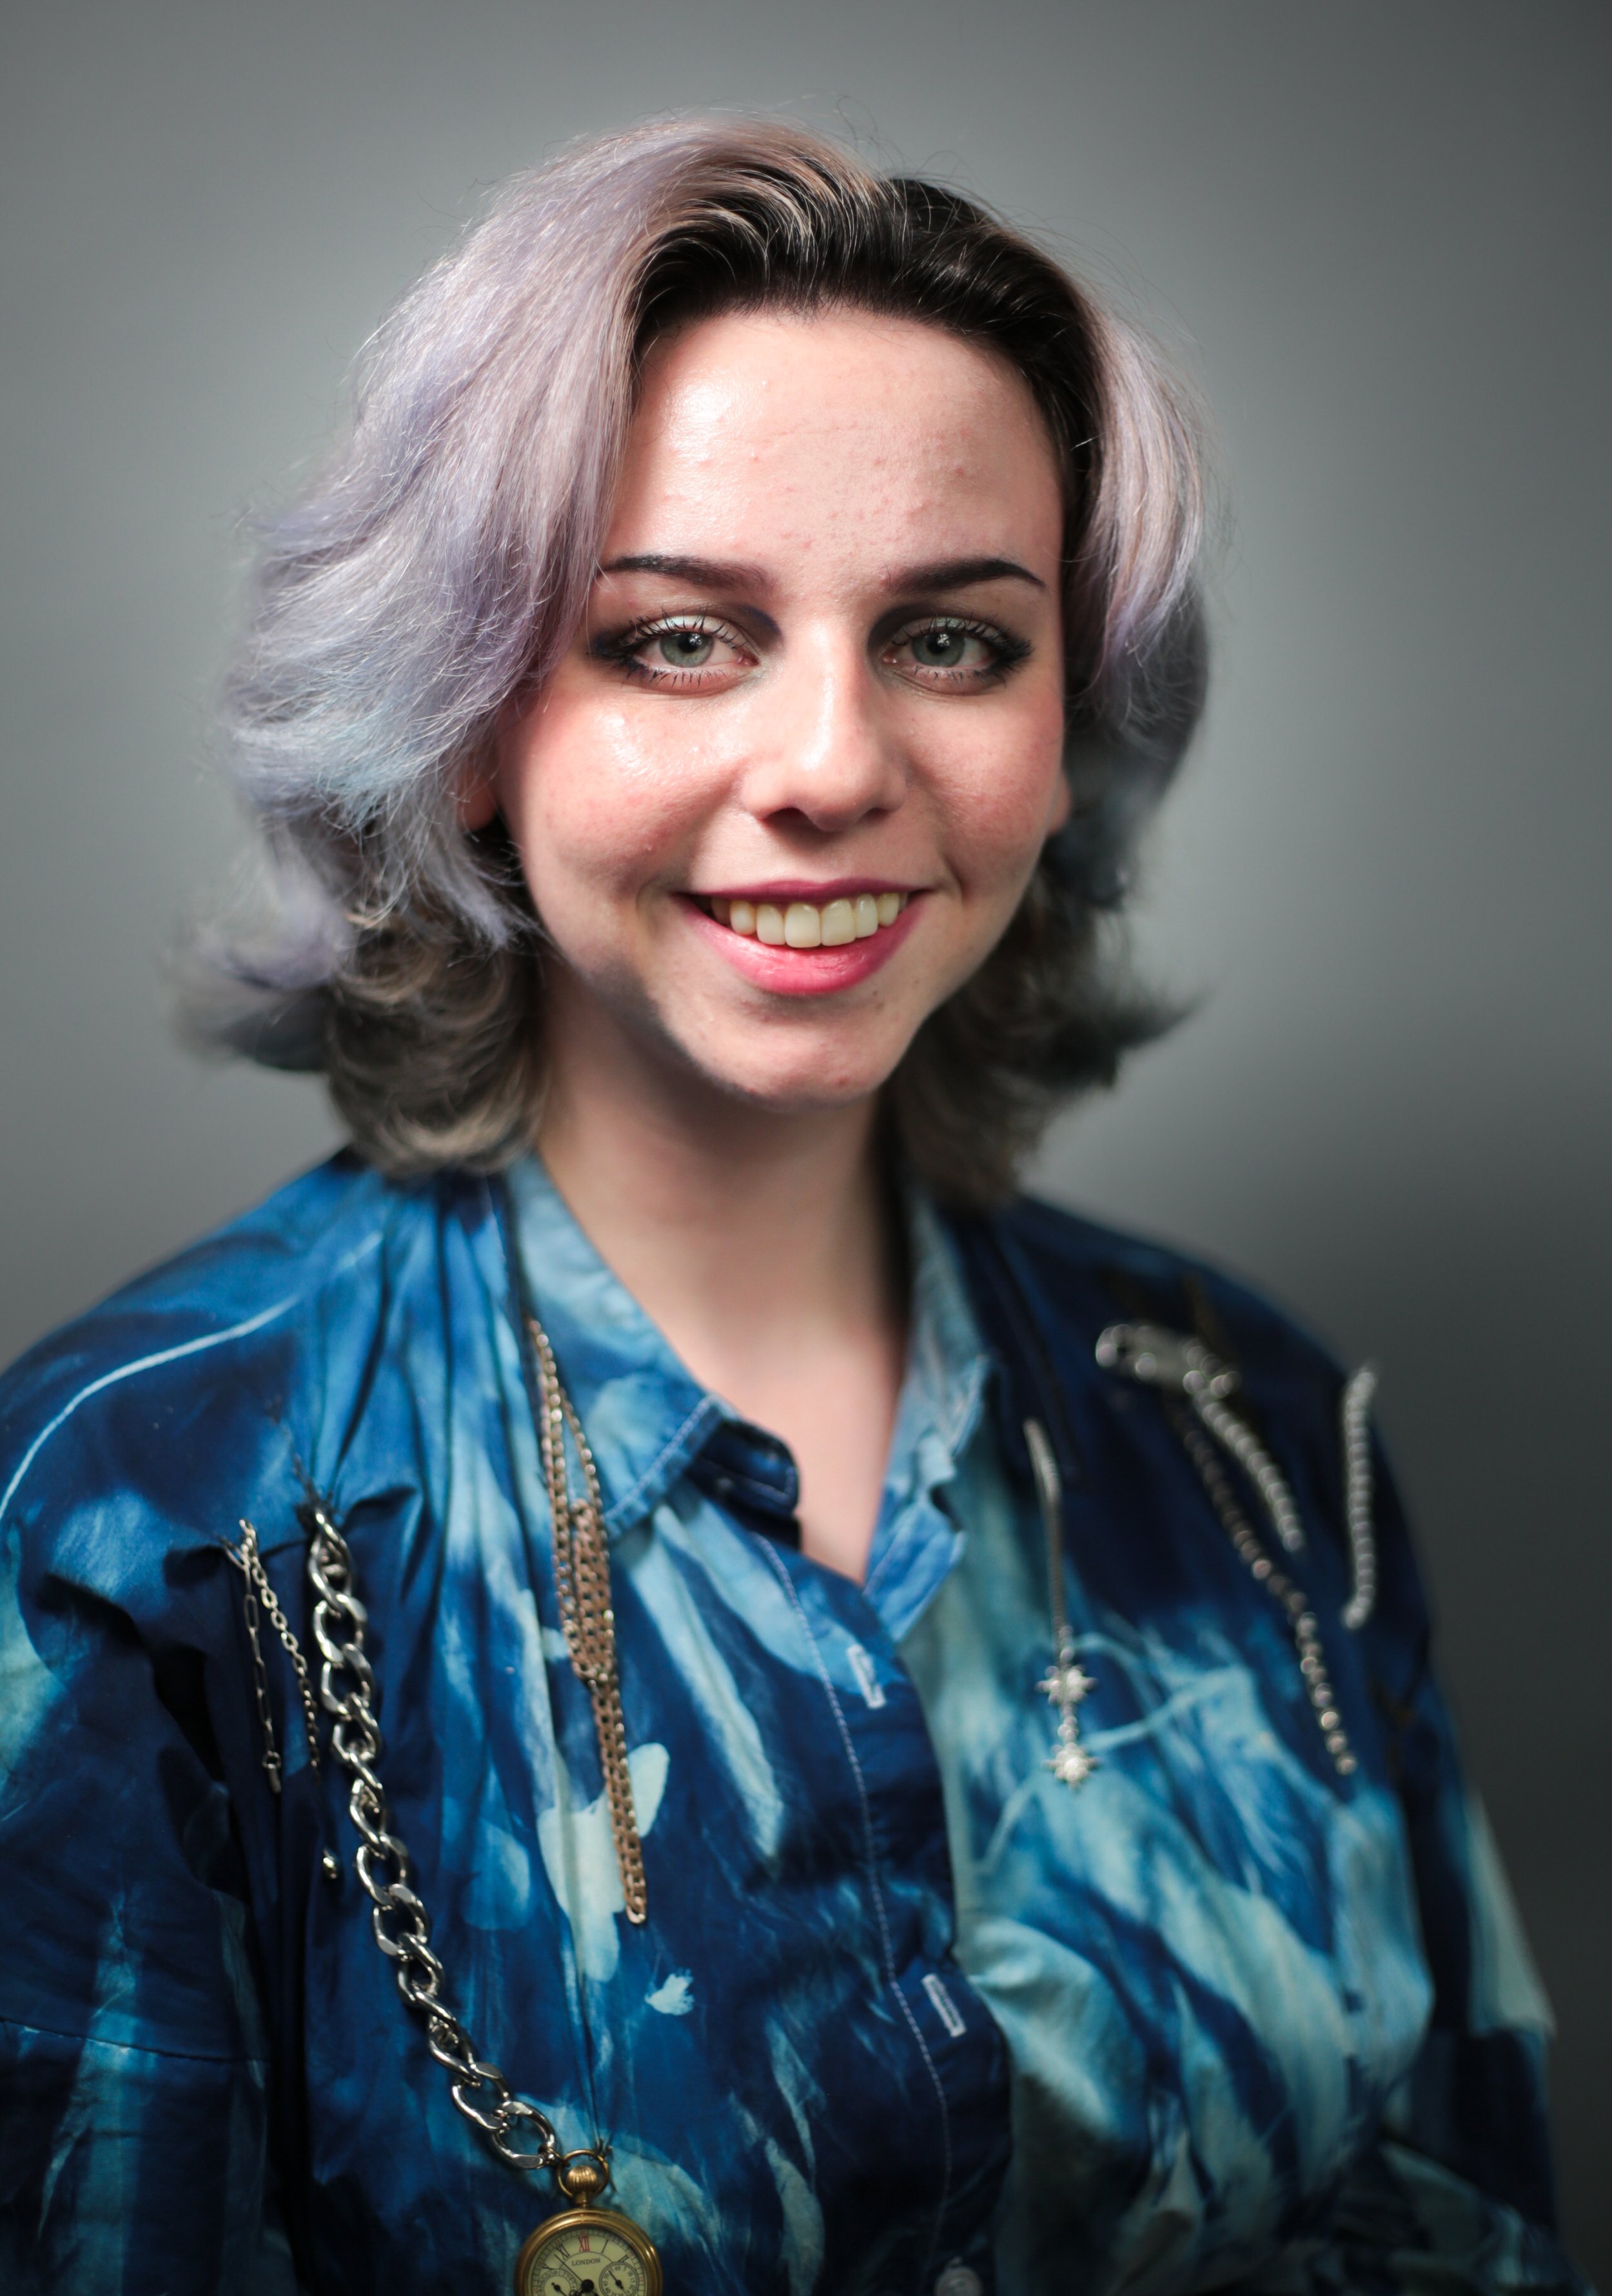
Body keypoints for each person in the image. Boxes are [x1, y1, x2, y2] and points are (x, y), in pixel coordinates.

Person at [0, 119, 1585, 2296]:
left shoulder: (1248, 1441)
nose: (832, 761)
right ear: (469, 720)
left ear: (1066, 719)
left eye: (949, 638)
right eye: (675, 641)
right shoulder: (136, 1527)